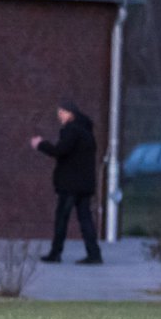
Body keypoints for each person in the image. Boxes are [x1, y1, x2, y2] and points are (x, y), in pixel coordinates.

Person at [31, 98, 102, 264]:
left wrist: (41, 144)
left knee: (62, 218)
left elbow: (60, 151)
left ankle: (55, 253)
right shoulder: (87, 131)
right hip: (85, 184)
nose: (59, 116)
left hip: (70, 184)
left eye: (62, 113)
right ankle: (94, 254)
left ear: (71, 113)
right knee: (85, 219)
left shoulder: (72, 130)